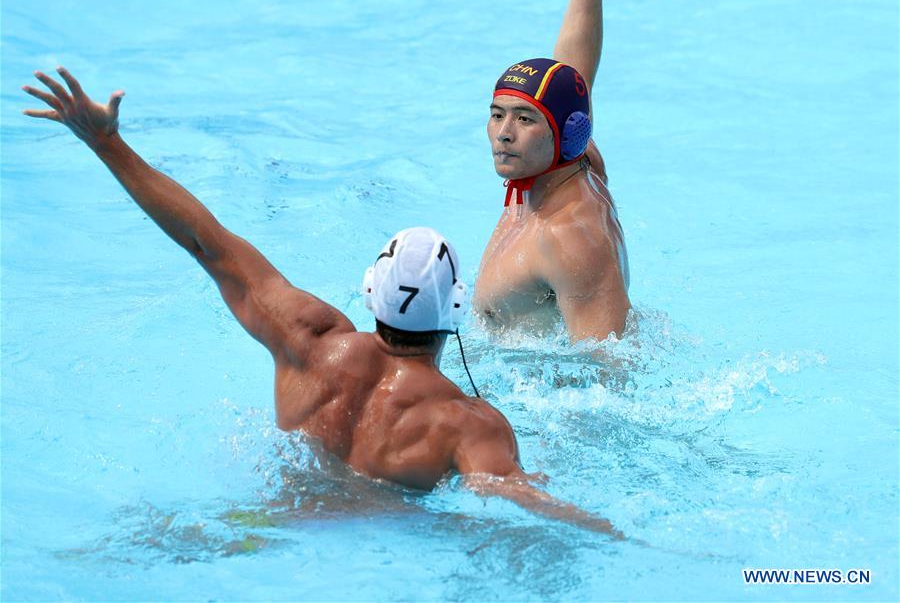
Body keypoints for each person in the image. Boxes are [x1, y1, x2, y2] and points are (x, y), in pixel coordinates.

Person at [21, 67, 621, 537]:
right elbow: (528, 502)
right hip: (386, 540)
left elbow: (206, 241)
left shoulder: (307, 342)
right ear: (457, 311)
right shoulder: (468, 425)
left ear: (367, 290)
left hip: (276, 516)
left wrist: (107, 144)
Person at [474, 0, 660, 343]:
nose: (504, 133)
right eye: (498, 114)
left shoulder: (573, 237)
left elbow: (611, 374)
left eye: (524, 118)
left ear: (566, 134)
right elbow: (574, 69)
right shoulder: (559, 164)